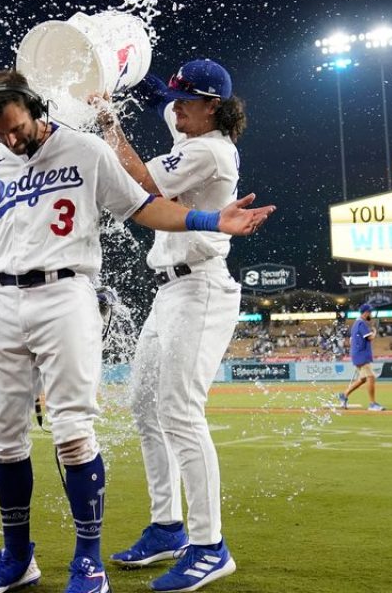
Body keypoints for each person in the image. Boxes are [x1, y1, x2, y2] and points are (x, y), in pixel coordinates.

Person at [0, 69, 273, 593]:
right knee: (4, 436)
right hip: (3, 300)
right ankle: (18, 560)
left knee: (74, 433)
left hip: (67, 293)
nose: (10, 139)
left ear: (36, 108)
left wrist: (210, 221)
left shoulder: (83, 149)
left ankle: (89, 564)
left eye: (16, 126)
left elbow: (144, 205)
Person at [94, 59, 246, 591]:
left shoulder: (208, 149)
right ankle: (168, 528)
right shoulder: (193, 124)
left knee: (180, 411)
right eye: (176, 98)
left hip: (201, 287)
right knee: (144, 404)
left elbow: (139, 181)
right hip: (171, 290)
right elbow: (167, 102)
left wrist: (106, 120)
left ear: (215, 108)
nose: (174, 108)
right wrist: (150, 84)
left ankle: (210, 547)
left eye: (187, 100)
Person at [339, 304, 385, 411]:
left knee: (363, 379)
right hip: (362, 355)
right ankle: (372, 404)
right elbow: (369, 337)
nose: (371, 314)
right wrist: (374, 331)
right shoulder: (361, 323)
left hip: (358, 354)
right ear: (366, 312)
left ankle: (344, 395)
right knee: (371, 377)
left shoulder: (356, 324)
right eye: (370, 312)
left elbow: (351, 341)